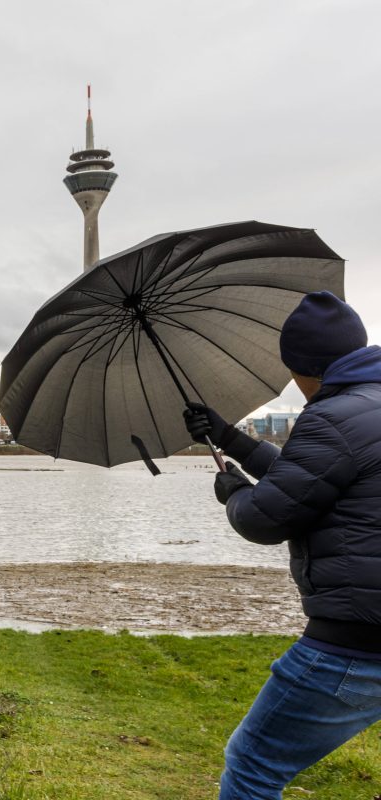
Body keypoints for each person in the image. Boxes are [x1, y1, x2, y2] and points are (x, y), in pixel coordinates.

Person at [183, 291, 381, 799]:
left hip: (355, 645)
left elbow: (266, 517)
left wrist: (234, 495)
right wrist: (231, 438)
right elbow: (319, 485)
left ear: (305, 368)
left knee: (252, 766)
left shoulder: (332, 416)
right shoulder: (367, 409)